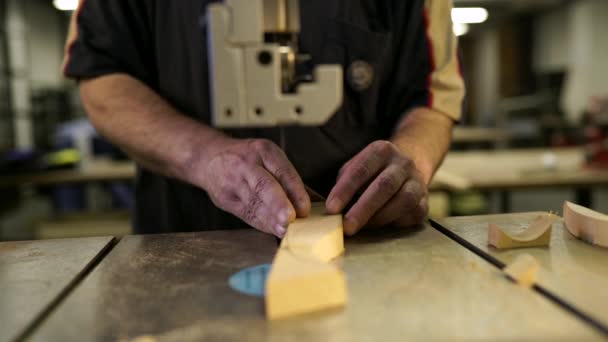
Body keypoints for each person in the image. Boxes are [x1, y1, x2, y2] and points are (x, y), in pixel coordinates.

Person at [63, 0, 465, 237]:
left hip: (363, 246)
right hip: (183, 242)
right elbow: (101, 75)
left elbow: (431, 95)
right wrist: (204, 156)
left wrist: (411, 160)